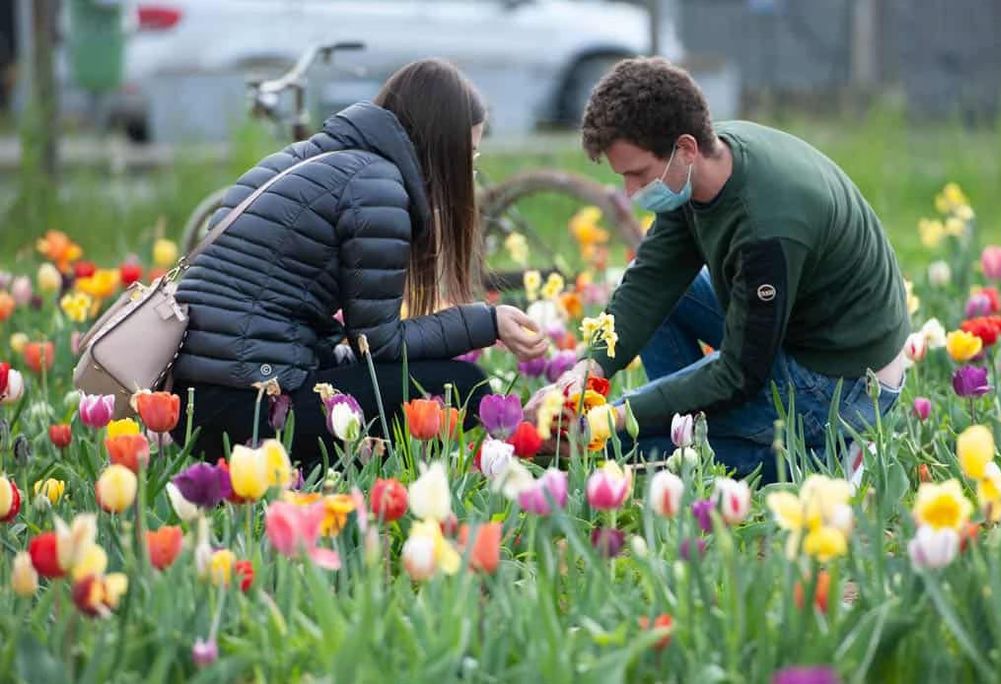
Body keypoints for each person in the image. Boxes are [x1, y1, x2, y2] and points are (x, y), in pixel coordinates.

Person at [529, 57, 909, 482]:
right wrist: (588, 371)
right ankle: (689, 429)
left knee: (625, 450)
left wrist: (615, 417)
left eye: (638, 175)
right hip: (792, 335)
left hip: (843, 381)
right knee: (666, 305)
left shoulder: (766, 227)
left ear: (686, 148)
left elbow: (740, 372)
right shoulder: (702, 167)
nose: (631, 192)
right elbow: (651, 280)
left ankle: (825, 456)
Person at [169, 59, 548, 468]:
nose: (468, 173)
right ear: (442, 148)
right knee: (464, 389)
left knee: (384, 376)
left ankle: (310, 477)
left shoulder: (307, 159)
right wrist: (487, 324)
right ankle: (319, 482)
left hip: (192, 402)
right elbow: (380, 344)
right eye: (468, 155)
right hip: (253, 403)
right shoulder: (376, 187)